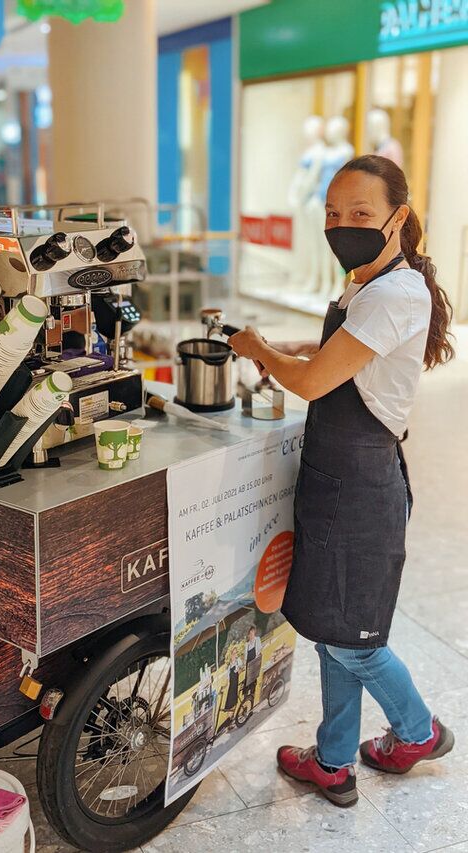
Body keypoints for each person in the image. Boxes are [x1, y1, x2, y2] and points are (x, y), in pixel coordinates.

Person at [229, 155, 455, 808]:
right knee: (334, 627)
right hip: (336, 480)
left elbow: (310, 381)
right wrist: (300, 343)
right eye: (332, 213)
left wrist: (262, 352)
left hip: (359, 492)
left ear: (398, 217)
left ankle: (416, 731)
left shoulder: (393, 293)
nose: (342, 225)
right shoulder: (369, 281)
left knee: (354, 641)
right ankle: (334, 760)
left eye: (360, 213)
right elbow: (344, 355)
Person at [243, 626, 263, 699]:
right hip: (248, 664)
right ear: (248, 635)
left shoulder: (257, 640)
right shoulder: (247, 644)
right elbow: (245, 657)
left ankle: (252, 695)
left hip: (254, 662)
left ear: (254, 633)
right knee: (247, 679)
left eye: (253, 633)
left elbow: (259, 650)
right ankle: (245, 698)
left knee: (253, 679)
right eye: (250, 634)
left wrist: (256, 660)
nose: (251, 635)